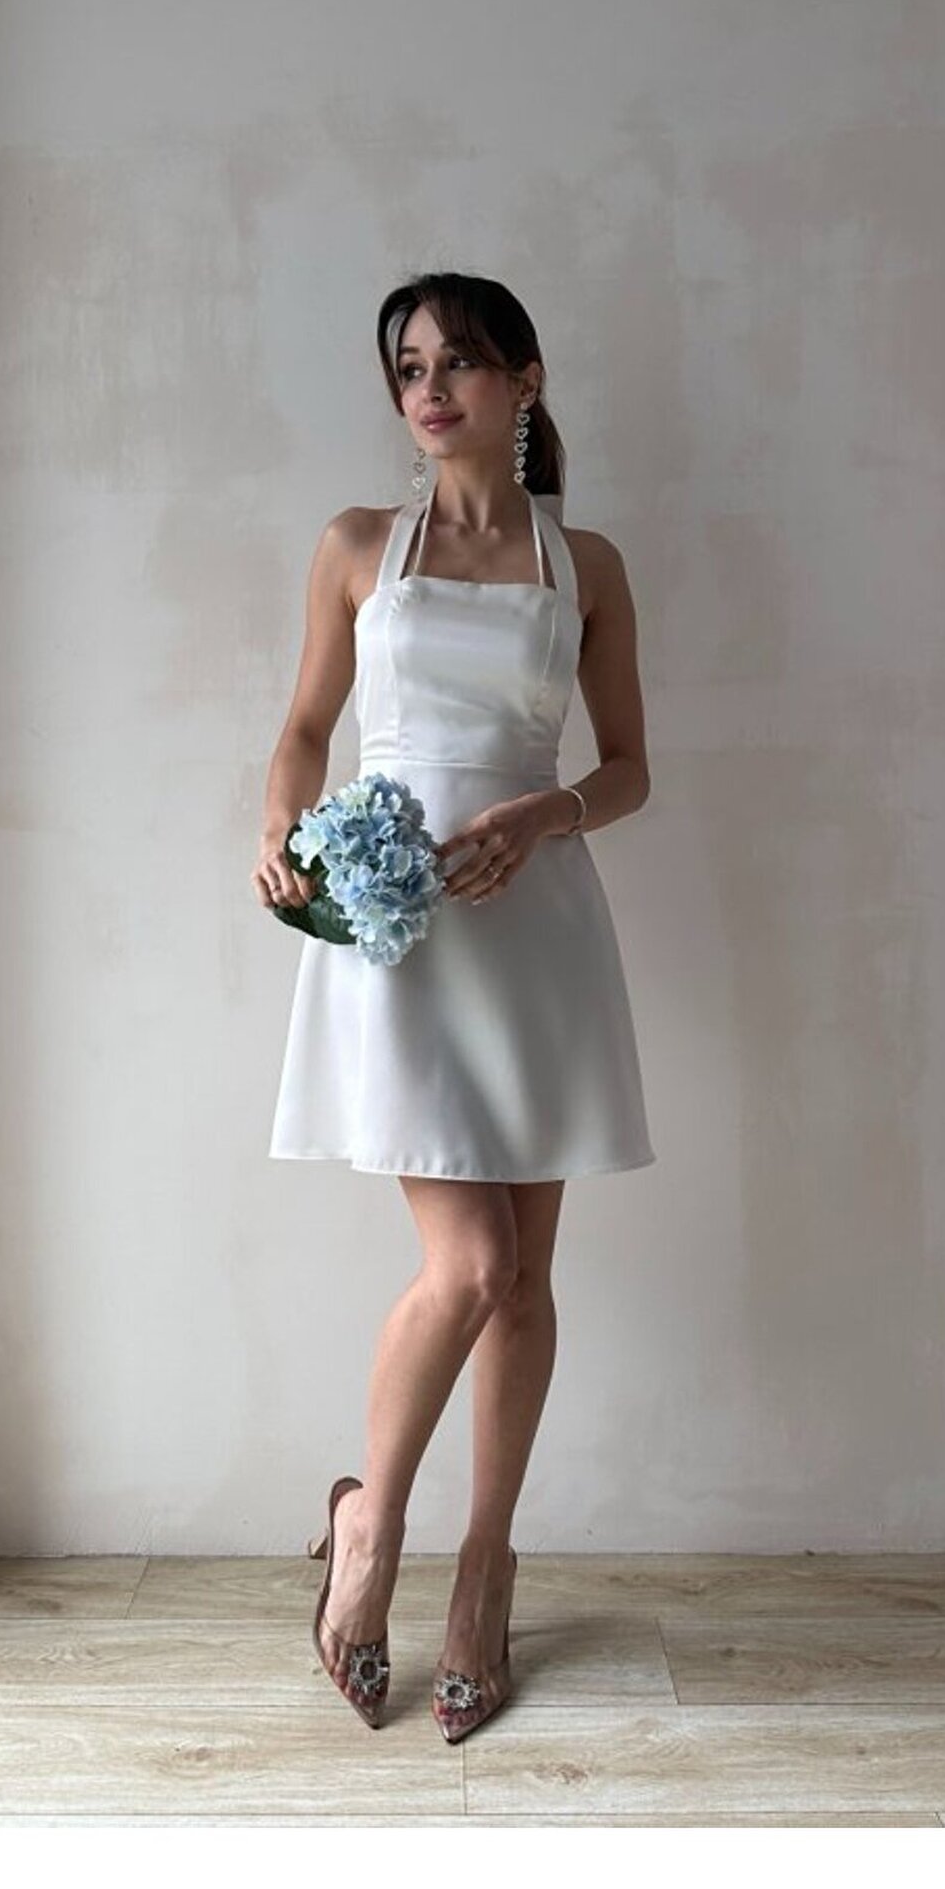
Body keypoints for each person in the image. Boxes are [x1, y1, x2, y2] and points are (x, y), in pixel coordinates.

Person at [253, 271, 654, 1742]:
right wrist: (280, 830)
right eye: (411, 367)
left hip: (536, 927)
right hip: (400, 930)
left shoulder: (586, 563)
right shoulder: (359, 546)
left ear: (525, 381)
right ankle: (372, 1526)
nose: (430, 390)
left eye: (461, 364)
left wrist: (547, 814)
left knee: (527, 1282)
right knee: (472, 1263)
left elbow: (631, 767)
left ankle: (487, 1570)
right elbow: (306, 727)